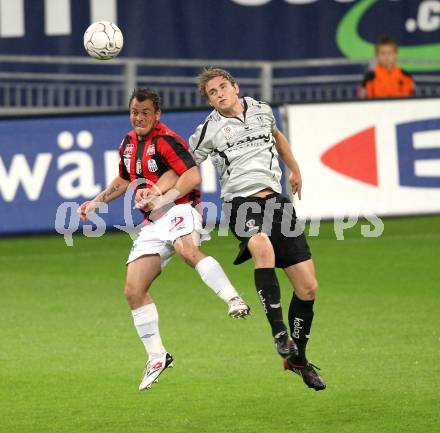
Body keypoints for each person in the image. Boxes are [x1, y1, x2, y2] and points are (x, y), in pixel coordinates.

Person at [78, 88, 250, 391]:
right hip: (153, 224)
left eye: (145, 112)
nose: (139, 117)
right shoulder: (128, 143)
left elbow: (193, 176)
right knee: (133, 290)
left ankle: (233, 298)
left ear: (157, 114)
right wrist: (97, 201)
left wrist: (160, 196)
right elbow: (124, 179)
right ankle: (157, 356)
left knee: (187, 250)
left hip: (180, 209)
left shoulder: (167, 140)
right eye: (134, 111)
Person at [190, 68, 325, 390]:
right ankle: (279, 332)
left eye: (223, 87)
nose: (220, 93)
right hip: (241, 204)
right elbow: (184, 164)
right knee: (261, 245)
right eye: (213, 92)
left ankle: (298, 359)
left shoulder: (262, 110)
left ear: (235, 87)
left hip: (278, 203)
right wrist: (161, 194)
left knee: (308, 288)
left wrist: (294, 169)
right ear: (209, 100)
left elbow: (277, 136)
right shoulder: (209, 129)